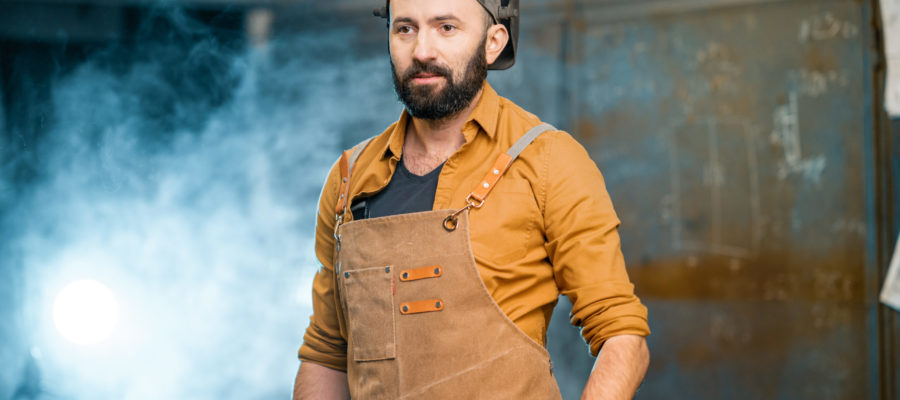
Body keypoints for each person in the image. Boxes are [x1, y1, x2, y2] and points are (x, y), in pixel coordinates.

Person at [292, 0, 650, 398]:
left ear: (493, 42)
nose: (422, 50)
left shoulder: (549, 161)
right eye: (405, 29)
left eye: (446, 28)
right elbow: (326, 354)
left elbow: (623, 336)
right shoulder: (349, 178)